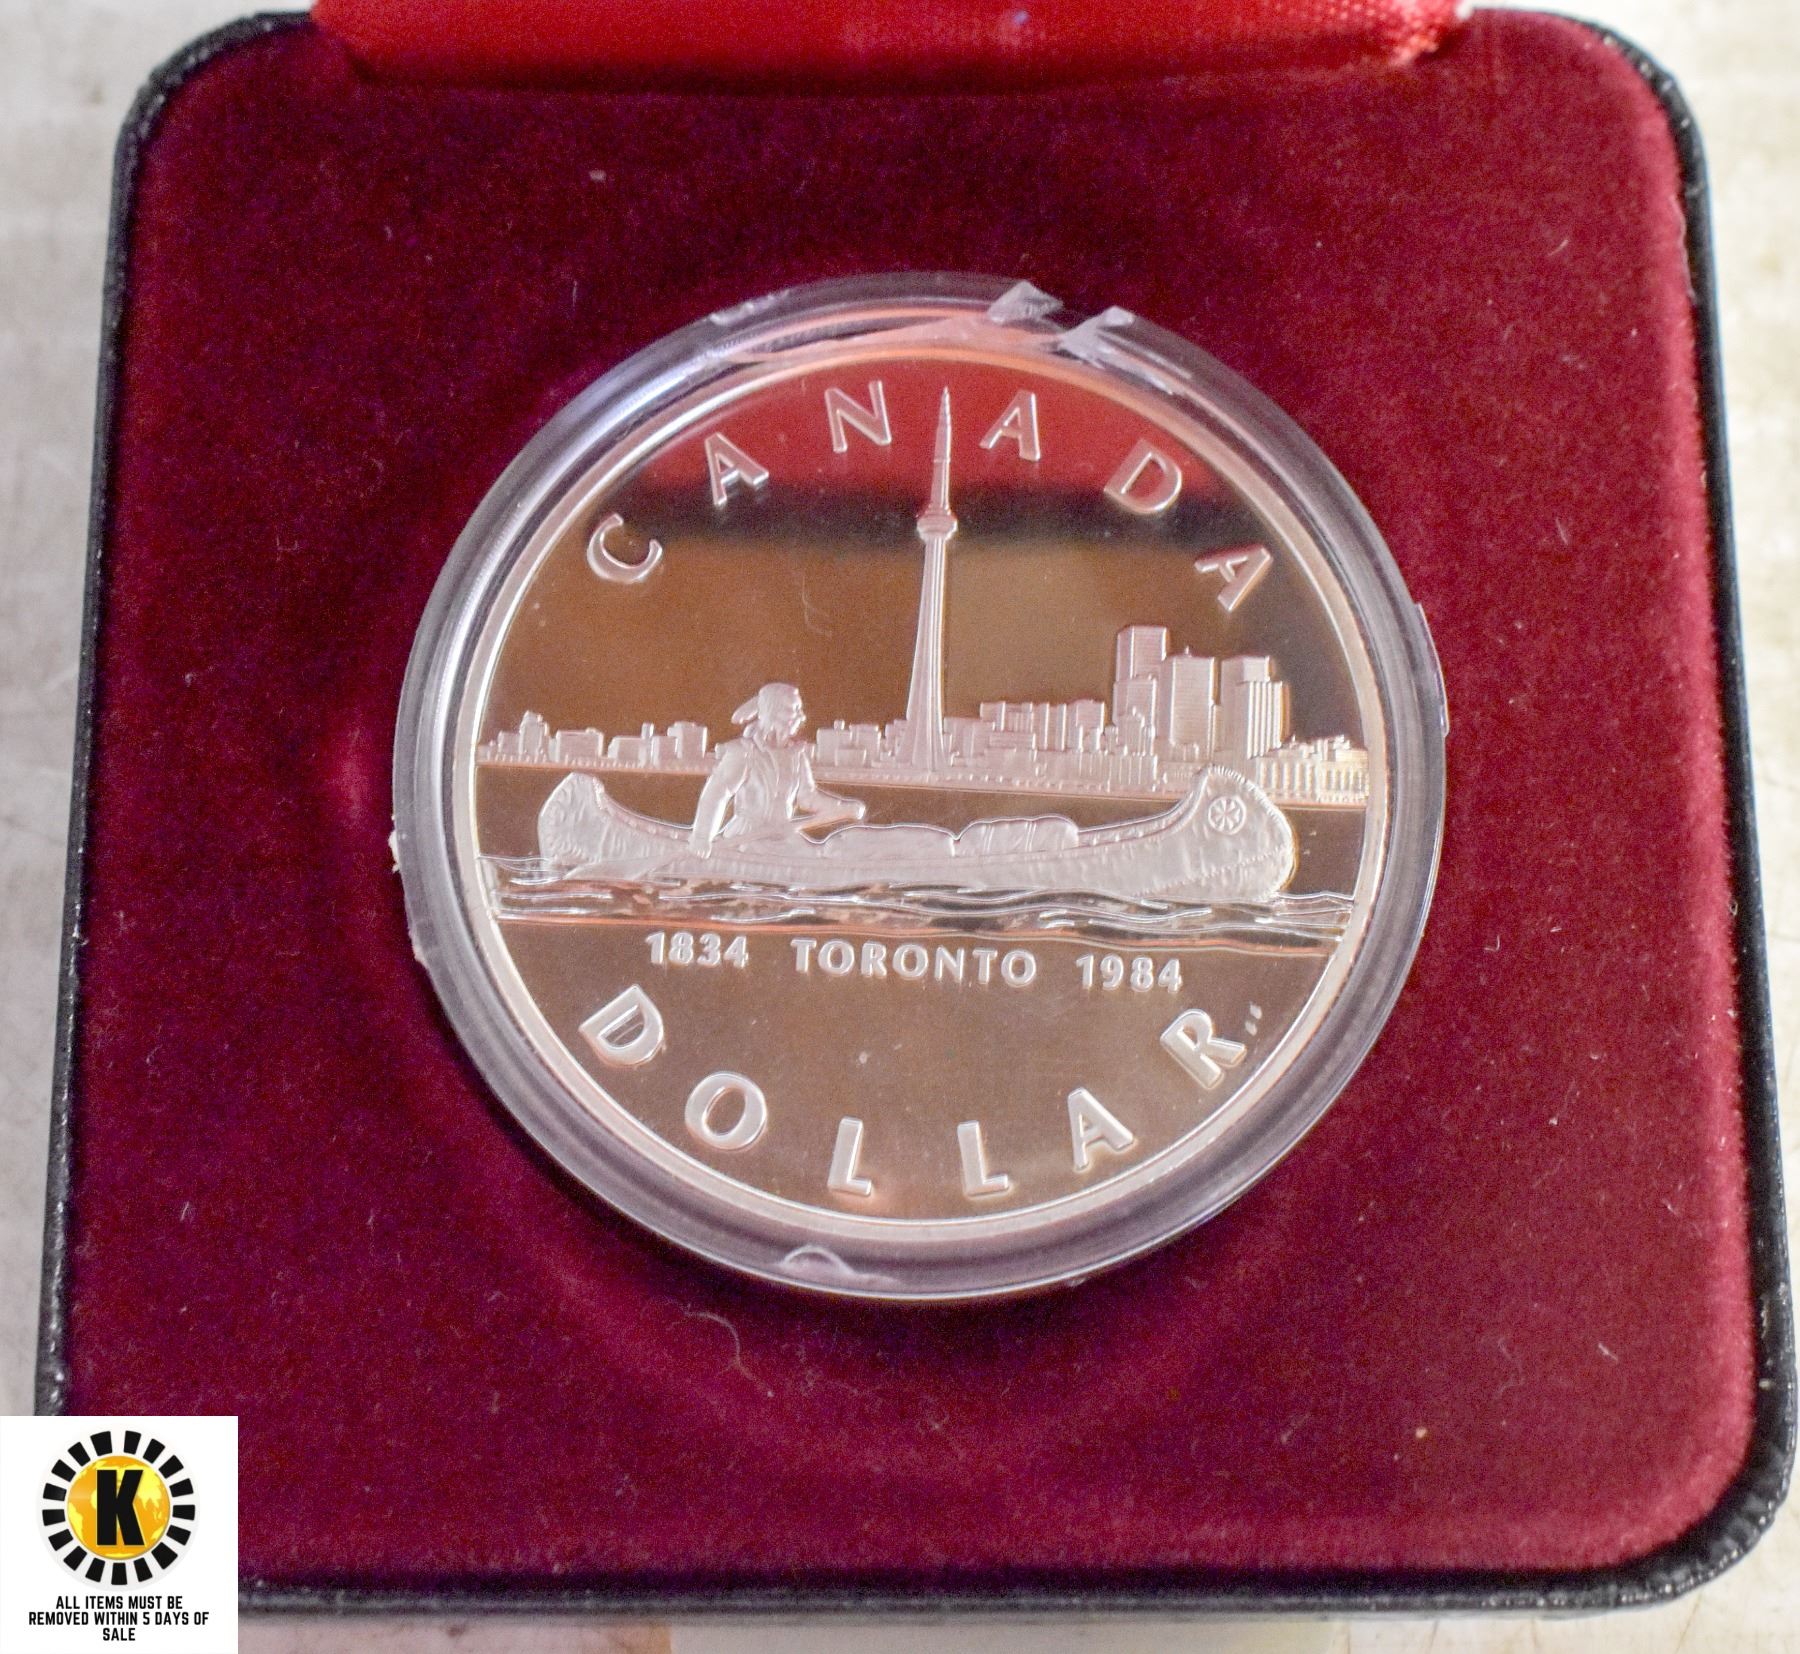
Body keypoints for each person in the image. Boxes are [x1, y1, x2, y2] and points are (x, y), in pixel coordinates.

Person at [689, 683, 866, 854]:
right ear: (771, 712)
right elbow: (717, 793)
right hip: (747, 837)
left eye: (800, 710)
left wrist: (843, 807)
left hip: (782, 835)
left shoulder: (796, 755)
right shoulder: (745, 753)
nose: (801, 717)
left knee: (815, 855)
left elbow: (808, 798)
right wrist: (702, 837)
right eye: (792, 710)